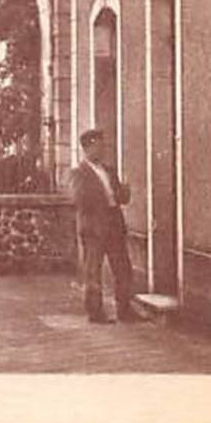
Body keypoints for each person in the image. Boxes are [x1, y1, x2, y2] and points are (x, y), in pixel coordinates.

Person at [69, 128, 137, 323]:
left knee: (123, 268)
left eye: (103, 145)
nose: (103, 150)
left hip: (114, 224)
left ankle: (125, 310)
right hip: (94, 227)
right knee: (93, 272)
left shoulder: (109, 170)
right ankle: (95, 313)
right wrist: (107, 199)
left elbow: (121, 199)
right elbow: (80, 200)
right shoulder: (78, 173)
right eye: (99, 146)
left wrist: (125, 191)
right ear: (88, 148)